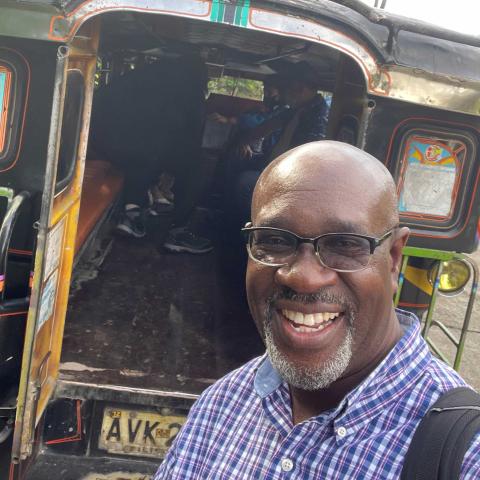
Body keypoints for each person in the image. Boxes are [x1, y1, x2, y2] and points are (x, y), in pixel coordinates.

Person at [154, 141, 480, 479]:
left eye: (345, 244)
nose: (304, 278)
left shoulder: (464, 456)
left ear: (394, 259)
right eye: (275, 240)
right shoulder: (220, 407)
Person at [89, 55, 212, 253]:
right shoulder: (190, 90)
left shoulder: (133, 77)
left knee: (147, 151)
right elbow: (191, 139)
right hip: (139, 148)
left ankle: (132, 215)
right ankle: (178, 232)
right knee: (197, 166)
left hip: (98, 142)